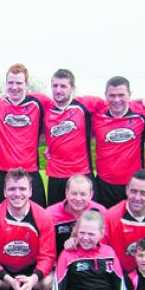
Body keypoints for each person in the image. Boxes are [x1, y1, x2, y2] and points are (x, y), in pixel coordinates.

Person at [34, 69, 98, 206]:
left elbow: (114, 102)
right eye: (55, 86)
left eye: (63, 86)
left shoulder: (84, 105)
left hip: (81, 174)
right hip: (56, 176)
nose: (58, 90)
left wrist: (141, 102)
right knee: (56, 221)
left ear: (72, 88)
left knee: (88, 221)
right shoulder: (47, 111)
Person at [91, 76, 145, 208]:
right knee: (104, 226)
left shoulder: (142, 113)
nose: (116, 100)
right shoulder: (96, 117)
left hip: (133, 185)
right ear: (105, 96)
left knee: (133, 226)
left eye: (121, 95)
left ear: (129, 95)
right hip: (104, 185)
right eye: (112, 95)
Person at [0, 64, 47, 207]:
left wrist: (51, 145)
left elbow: (61, 114)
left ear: (26, 84)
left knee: (37, 218)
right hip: (1, 172)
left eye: (19, 83)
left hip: (29, 171)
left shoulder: (40, 102)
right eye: (10, 83)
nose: (14, 87)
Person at [46, 174, 106, 255]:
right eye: (74, 193)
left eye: (83, 194)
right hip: (59, 261)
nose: (78, 198)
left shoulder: (101, 212)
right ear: (66, 193)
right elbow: (45, 249)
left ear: (91, 194)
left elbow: (106, 245)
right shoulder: (50, 214)